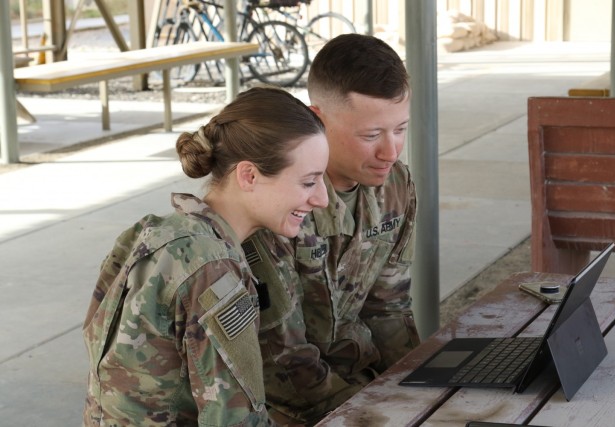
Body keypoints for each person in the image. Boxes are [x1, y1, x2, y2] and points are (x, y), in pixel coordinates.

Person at [82, 87, 329, 427]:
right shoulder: (213, 269)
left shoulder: (153, 233)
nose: (322, 199)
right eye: (309, 182)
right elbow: (236, 420)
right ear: (249, 176)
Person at [245, 34, 419, 425]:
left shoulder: (395, 185)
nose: (390, 152)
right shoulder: (279, 201)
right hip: (282, 406)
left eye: (401, 129)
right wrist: (377, 416)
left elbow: (388, 306)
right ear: (317, 119)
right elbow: (282, 359)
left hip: (359, 382)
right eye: (371, 135)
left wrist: (420, 390)